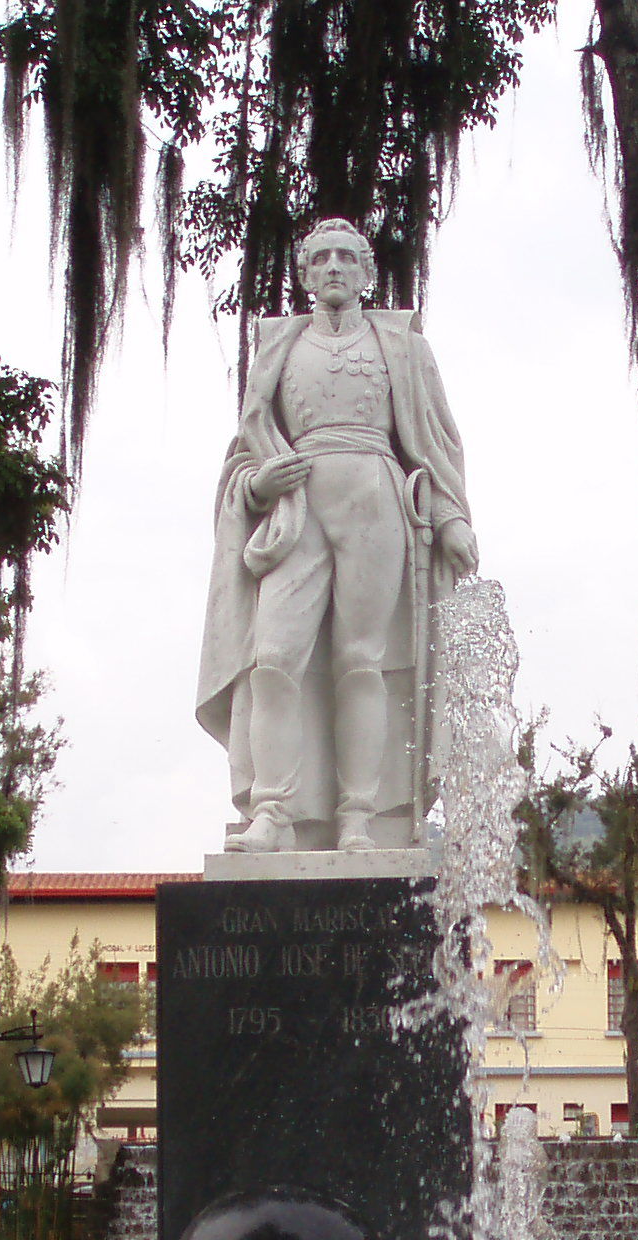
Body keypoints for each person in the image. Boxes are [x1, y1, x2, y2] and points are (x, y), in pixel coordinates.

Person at [196, 217, 478, 853]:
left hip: (375, 499)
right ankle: (273, 811)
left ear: (365, 272)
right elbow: (244, 453)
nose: (332, 267)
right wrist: (261, 484)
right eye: (319, 258)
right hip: (295, 510)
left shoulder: (401, 347)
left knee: (361, 660)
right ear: (303, 274)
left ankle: (357, 815)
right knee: (272, 657)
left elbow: (434, 441)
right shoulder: (277, 348)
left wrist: (454, 515)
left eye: (345, 258)